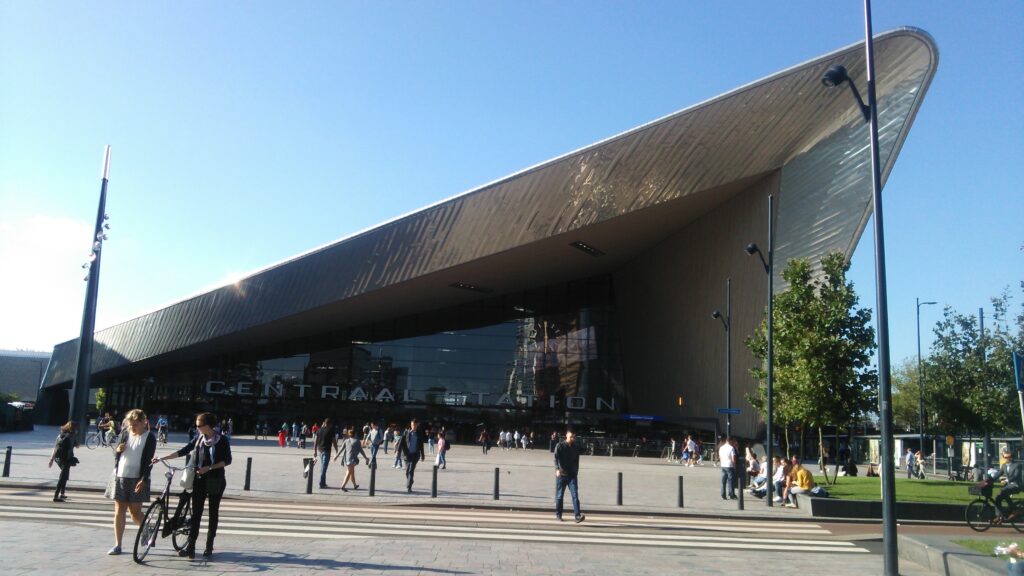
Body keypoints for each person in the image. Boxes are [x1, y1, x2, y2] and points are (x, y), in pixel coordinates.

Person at [154, 412, 232, 559]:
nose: (197, 428)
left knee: (212, 513)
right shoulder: (199, 438)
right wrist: (161, 458)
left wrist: (209, 468)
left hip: (215, 479)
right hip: (199, 479)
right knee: (196, 513)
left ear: (208, 426)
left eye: (199, 425)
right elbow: (184, 450)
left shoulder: (222, 441)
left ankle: (209, 546)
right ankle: (191, 547)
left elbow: (227, 461)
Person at [104, 408, 156, 556]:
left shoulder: (149, 437)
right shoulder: (125, 433)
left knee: (135, 512)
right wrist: (118, 450)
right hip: (120, 475)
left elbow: (148, 461)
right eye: (130, 424)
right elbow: (116, 453)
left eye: (135, 424)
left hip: (137, 478)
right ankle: (117, 545)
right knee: (119, 510)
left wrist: (143, 479)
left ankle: (146, 527)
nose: (132, 427)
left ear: (143, 423)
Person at [553, 430, 585, 523]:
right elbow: (555, 458)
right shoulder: (560, 446)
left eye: (573, 437)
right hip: (561, 475)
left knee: (575, 496)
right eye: (570, 437)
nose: (572, 438)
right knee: (559, 496)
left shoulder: (575, 447)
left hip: (572, 476)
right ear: (566, 436)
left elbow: (577, 461)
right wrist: (557, 469)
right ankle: (558, 515)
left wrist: (576, 472)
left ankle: (577, 516)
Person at [48, 421, 77, 502]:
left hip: (58, 458)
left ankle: (62, 493)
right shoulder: (71, 436)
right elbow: (76, 446)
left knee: (65, 475)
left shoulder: (60, 435)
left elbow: (56, 447)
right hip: (66, 459)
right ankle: (56, 496)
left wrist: (51, 459)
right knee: (63, 477)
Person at [396, 418, 426, 492]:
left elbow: (421, 444)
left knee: (411, 470)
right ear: (411, 424)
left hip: (415, 455)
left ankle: (409, 487)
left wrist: (422, 455)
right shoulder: (407, 432)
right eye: (412, 425)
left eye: (415, 425)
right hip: (407, 455)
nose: (413, 426)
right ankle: (411, 480)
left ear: (417, 425)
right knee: (407, 471)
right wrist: (397, 451)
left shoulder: (419, 433)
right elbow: (401, 441)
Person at [996, 448, 1023, 519]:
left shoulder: (1017, 465)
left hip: (1017, 485)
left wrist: (1007, 480)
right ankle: (1000, 515)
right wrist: (989, 479)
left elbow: (1015, 476)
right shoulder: (1004, 466)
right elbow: (998, 474)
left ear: (1011, 457)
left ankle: (1015, 510)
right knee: (998, 498)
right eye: (1005, 457)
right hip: (1009, 485)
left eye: (1007, 457)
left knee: (1003, 492)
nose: (1006, 459)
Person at [314, 418, 339, 489]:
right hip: (327, 451)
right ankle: (321, 483)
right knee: (324, 468)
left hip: (320, 451)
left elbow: (315, 441)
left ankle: (323, 483)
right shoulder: (331, 431)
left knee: (323, 467)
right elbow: (334, 442)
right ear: (330, 424)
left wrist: (315, 451)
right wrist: (337, 450)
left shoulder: (319, 430)